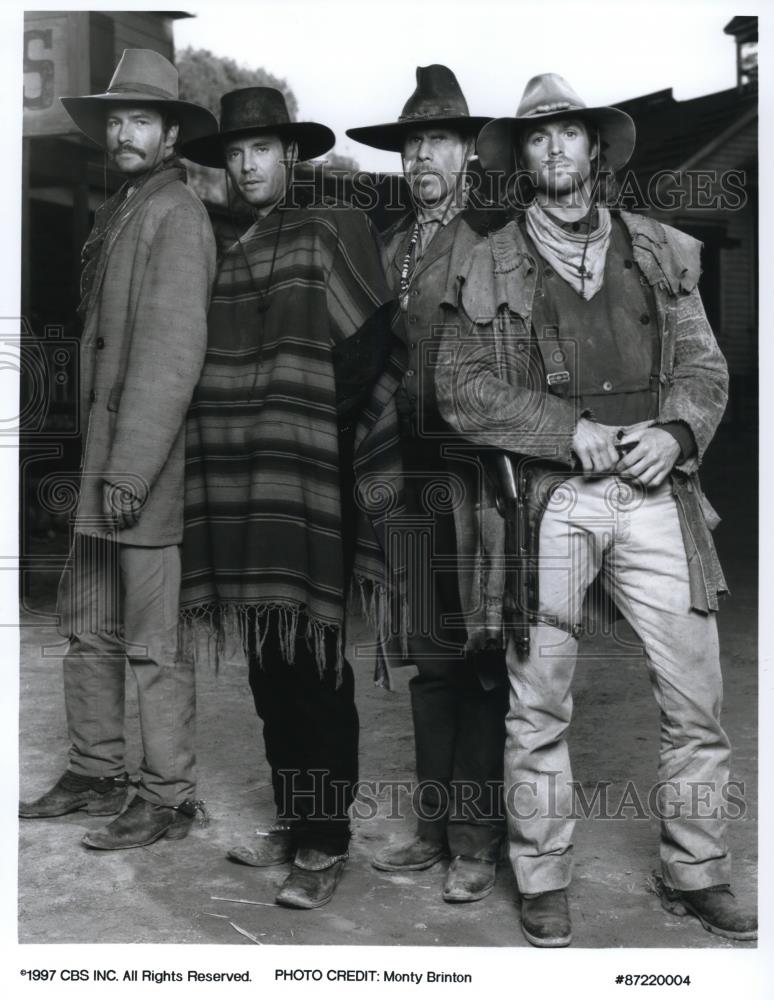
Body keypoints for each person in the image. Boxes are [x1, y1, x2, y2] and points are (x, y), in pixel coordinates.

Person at [436, 73, 756, 944]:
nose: (554, 148)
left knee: (696, 699)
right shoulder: (489, 257)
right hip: (550, 502)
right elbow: (458, 389)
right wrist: (560, 427)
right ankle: (542, 877)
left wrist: (679, 435)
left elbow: (706, 368)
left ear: (596, 148)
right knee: (538, 703)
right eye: (536, 137)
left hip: (656, 495)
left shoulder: (656, 248)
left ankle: (696, 871)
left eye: (568, 133)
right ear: (523, 156)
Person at [180, 88, 404, 909]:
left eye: (262, 149)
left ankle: (325, 840)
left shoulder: (332, 228)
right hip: (243, 484)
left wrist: (302, 413)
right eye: (236, 153)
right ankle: (292, 813)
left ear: (291, 155)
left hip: (312, 476)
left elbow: (375, 339)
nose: (246, 165)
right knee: (268, 664)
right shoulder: (222, 245)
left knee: (313, 662)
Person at [19, 49, 218, 849]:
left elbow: (174, 354)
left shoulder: (177, 213)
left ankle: (168, 797)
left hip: (142, 473)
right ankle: (97, 769)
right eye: (116, 121)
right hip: (105, 467)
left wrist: (132, 469)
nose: (124, 132)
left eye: (140, 119)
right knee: (89, 627)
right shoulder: (123, 209)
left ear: (170, 133)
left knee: (151, 644)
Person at [347, 66, 509, 904]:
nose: (422, 157)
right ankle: (434, 829)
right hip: (403, 480)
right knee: (430, 663)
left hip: (472, 482)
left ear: (469, 154)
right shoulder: (385, 247)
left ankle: (478, 845)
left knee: (482, 660)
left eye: (438, 141)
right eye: (411, 144)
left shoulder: (491, 245)